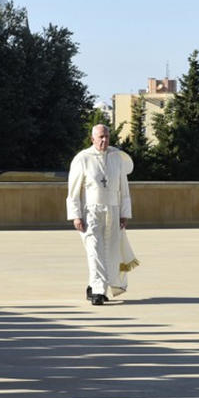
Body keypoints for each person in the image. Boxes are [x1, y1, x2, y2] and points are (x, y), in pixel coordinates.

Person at [66, 124, 135, 305]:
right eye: (100, 137)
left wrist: (124, 213)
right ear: (92, 139)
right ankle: (98, 291)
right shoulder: (82, 158)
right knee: (94, 251)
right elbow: (73, 191)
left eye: (106, 136)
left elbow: (124, 188)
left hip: (113, 211)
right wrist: (76, 215)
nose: (104, 140)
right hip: (91, 212)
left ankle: (94, 286)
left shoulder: (116, 158)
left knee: (109, 252)